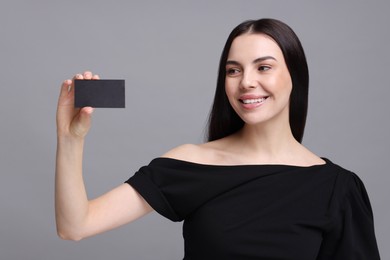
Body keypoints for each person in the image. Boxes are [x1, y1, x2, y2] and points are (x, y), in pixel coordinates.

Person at [55, 18, 381, 259]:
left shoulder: (338, 188)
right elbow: (75, 225)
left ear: (294, 76)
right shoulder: (192, 163)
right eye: (233, 70)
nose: (246, 82)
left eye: (263, 67)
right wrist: (70, 138)